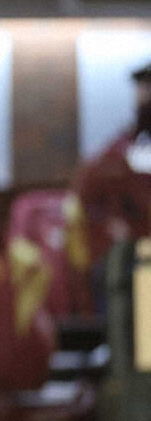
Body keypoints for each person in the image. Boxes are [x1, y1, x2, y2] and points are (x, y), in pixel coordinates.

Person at [71, 63, 151, 305]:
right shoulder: (121, 150)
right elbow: (84, 194)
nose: (144, 95)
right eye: (143, 89)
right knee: (115, 271)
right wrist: (110, 224)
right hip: (130, 251)